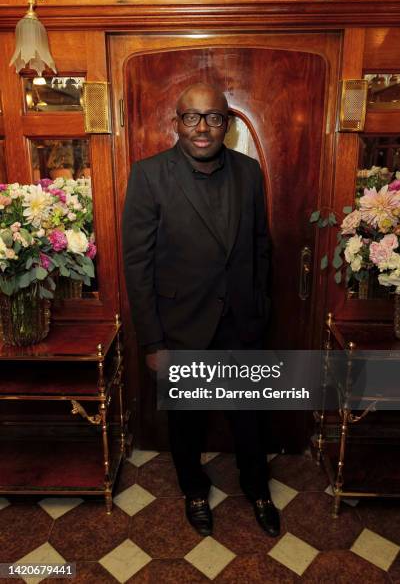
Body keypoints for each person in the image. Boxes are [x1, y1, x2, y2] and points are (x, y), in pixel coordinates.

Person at [122, 82, 280, 537]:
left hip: (241, 325)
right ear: (178, 122)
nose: (203, 128)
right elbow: (138, 264)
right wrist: (153, 341)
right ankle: (194, 489)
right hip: (181, 328)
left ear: (226, 124)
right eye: (192, 117)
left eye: (213, 117)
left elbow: (260, 246)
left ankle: (258, 490)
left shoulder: (249, 173)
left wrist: (260, 305)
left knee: (250, 419)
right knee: (187, 423)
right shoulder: (149, 175)